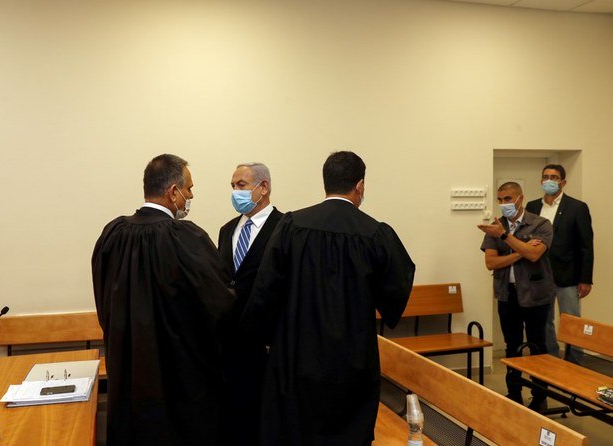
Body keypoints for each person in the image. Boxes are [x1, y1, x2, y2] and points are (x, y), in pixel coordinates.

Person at [241, 151, 415, 446]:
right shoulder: (374, 233)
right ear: (359, 186)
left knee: (296, 431)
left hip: (296, 356)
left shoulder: (292, 226)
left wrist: (265, 338)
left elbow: (265, 289)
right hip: (352, 360)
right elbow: (396, 288)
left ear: (325, 183)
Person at [92, 154, 235, 446]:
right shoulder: (186, 238)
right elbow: (219, 305)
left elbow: (103, 299)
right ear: (173, 192)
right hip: (179, 375)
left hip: (129, 370)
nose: (190, 196)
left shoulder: (112, 235)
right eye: (189, 189)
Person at [217, 162, 283, 446]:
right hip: (230, 342)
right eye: (233, 186)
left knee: (263, 419)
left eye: (241, 185)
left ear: (263, 187)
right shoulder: (226, 229)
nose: (235, 192)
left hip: (265, 343)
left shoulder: (285, 227)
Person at [478, 182, 555, 411]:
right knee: (512, 345)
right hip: (507, 294)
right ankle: (514, 394)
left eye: (508, 199)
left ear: (520, 198)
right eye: (500, 200)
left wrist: (506, 238)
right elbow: (491, 262)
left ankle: (540, 396)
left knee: (537, 346)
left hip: (535, 295)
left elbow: (535, 254)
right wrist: (519, 252)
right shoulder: (496, 227)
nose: (504, 204)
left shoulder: (541, 224)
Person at [526, 164, 594, 364]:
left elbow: (586, 246)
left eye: (554, 177)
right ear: (540, 181)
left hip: (569, 276)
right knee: (543, 321)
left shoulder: (577, 207)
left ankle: (574, 362)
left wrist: (585, 279)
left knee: (571, 321)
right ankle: (551, 361)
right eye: (546, 176)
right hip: (539, 276)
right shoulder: (532, 206)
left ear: (563, 182)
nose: (549, 180)